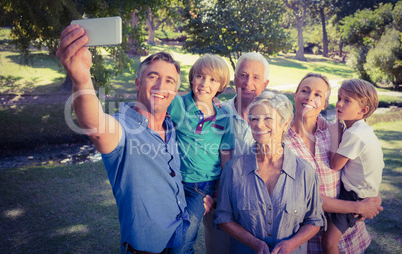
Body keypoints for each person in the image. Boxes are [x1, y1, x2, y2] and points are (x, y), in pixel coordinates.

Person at [56, 24, 215, 254]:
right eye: (153, 77)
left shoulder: (172, 125)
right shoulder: (123, 128)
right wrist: (82, 80)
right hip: (146, 248)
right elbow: (96, 127)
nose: (161, 86)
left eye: (170, 81)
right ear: (138, 83)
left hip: (181, 238)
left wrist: (198, 201)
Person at [214, 91, 326, 254]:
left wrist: (290, 245)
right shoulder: (234, 169)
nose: (259, 125)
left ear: (285, 123)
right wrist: (255, 244)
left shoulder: (304, 172)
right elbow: (223, 218)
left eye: (267, 118)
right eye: (254, 119)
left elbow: (315, 221)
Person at [283, 73, 383, 253]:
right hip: (309, 242)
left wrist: (372, 197)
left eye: (318, 94)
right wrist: (359, 206)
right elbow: (303, 198)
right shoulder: (282, 143)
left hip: (350, 236)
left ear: (324, 104)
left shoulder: (336, 131)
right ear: (295, 95)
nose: (309, 97)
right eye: (304, 91)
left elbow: (365, 162)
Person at [202, 52, 270, 254]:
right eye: (243, 75)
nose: (248, 82)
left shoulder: (273, 117)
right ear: (234, 79)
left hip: (258, 210)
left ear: (265, 84)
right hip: (219, 205)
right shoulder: (215, 113)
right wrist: (203, 191)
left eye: (256, 77)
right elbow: (199, 155)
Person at [167, 54, 234, 254]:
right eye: (200, 76)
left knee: (184, 240)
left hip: (200, 187)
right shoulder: (177, 104)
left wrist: (222, 191)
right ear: (192, 78)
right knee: (166, 234)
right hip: (171, 182)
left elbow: (226, 157)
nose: (205, 83)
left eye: (213, 79)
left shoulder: (224, 116)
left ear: (221, 86)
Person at [322, 79, 384, 253]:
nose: (339, 103)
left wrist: (335, 134)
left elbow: (335, 165)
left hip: (354, 196)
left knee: (329, 242)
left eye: (347, 100)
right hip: (364, 191)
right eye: (339, 97)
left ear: (363, 110)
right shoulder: (362, 130)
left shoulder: (355, 134)